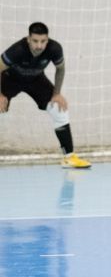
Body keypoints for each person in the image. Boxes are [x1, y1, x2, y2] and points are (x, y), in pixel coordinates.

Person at [0, 22, 91, 168]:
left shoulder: (54, 48)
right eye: (35, 41)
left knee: (58, 107)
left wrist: (56, 94)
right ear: (28, 39)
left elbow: (60, 69)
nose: (39, 46)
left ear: (47, 40)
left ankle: (69, 158)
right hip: (10, 79)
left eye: (43, 41)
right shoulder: (17, 50)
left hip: (36, 79)